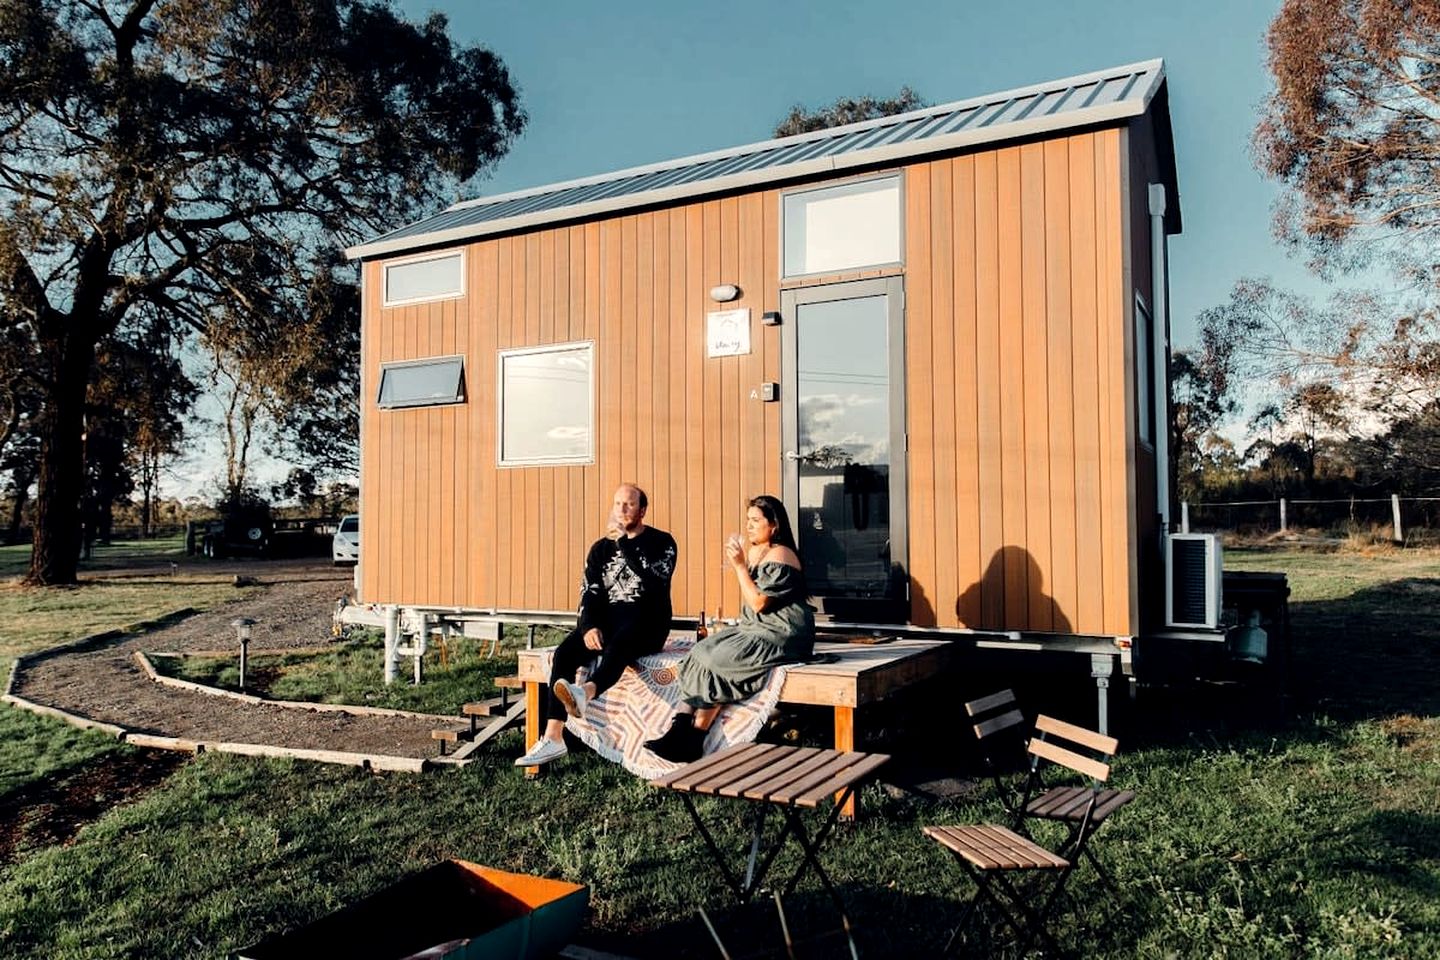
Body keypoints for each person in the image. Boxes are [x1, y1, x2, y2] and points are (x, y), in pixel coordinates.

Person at [644, 495, 815, 764]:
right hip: (754, 628)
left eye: (756, 520)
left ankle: (694, 739)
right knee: (700, 651)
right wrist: (742, 564)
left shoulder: (782, 554)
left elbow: (759, 602)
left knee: (718, 661)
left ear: (774, 526)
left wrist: (739, 567)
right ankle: (678, 729)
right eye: (747, 520)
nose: (749, 525)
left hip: (781, 632)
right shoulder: (757, 551)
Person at [516, 484, 677, 766]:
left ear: (643, 510)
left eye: (628, 504)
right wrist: (589, 626)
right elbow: (589, 592)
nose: (621, 510)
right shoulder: (600, 549)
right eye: (617, 504)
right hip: (608, 621)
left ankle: (585, 693)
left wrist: (625, 544)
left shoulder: (662, 542)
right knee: (565, 653)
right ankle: (553, 737)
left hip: (648, 622)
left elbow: (656, 586)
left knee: (621, 642)